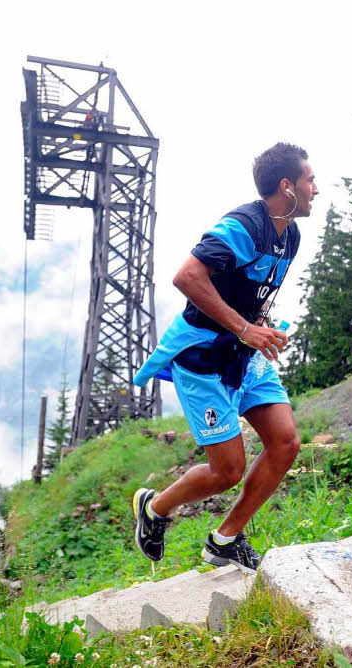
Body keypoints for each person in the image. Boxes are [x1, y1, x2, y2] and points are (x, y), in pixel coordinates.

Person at [130, 142, 318, 570]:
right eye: (310, 180)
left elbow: (249, 289)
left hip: (244, 355)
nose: (315, 189)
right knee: (227, 470)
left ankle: (225, 539)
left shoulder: (290, 235)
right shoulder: (242, 226)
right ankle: (154, 509)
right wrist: (246, 329)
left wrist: (262, 327)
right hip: (203, 357)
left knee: (285, 442)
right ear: (287, 186)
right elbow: (188, 276)